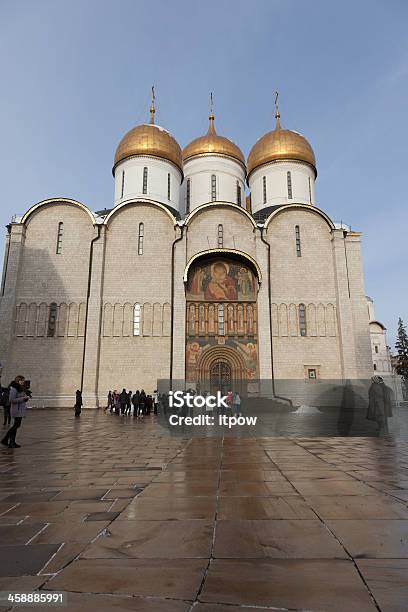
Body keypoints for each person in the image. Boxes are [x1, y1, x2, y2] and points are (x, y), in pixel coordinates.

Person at [1, 375, 30, 448]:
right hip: (16, 409)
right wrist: (23, 399)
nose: (23, 381)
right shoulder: (14, 388)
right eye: (21, 380)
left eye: (23, 380)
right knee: (16, 425)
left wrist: (25, 398)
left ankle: (11, 442)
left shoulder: (21, 388)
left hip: (20, 409)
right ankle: (6, 440)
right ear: (17, 381)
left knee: (16, 426)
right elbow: (11, 400)